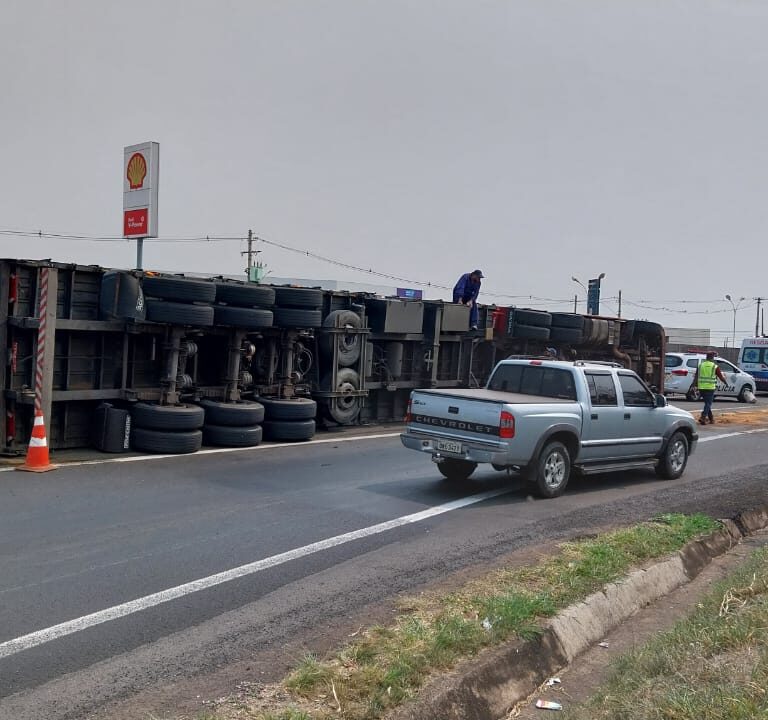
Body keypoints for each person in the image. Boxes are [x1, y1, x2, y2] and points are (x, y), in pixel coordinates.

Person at [691, 351, 728, 425]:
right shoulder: (714, 366)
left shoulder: (701, 365)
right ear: (712, 357)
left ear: (706, 357)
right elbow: (720, 377)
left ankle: (711, 419)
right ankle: (703, 417)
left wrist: (693, 385)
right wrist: (725, 383)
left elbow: (696, 376)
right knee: (708, 403)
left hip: (701, 387)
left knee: (707, 404)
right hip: (710, 388)